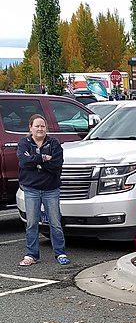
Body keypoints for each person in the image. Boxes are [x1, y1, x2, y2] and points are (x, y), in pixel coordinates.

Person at [17, 114, 70, 267]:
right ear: (30, 128)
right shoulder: (24, 143)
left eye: (43, 126)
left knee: (55, 223)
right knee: (32, 223)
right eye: (37, 126)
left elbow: (57, 164)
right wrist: (43, 158)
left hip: (51, 189)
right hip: (31, 189)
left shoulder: (53, 143)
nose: (40, 129)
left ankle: (60, 253)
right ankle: (31, 254)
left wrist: (36, 161)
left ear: (46, 128)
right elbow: (24, 162)